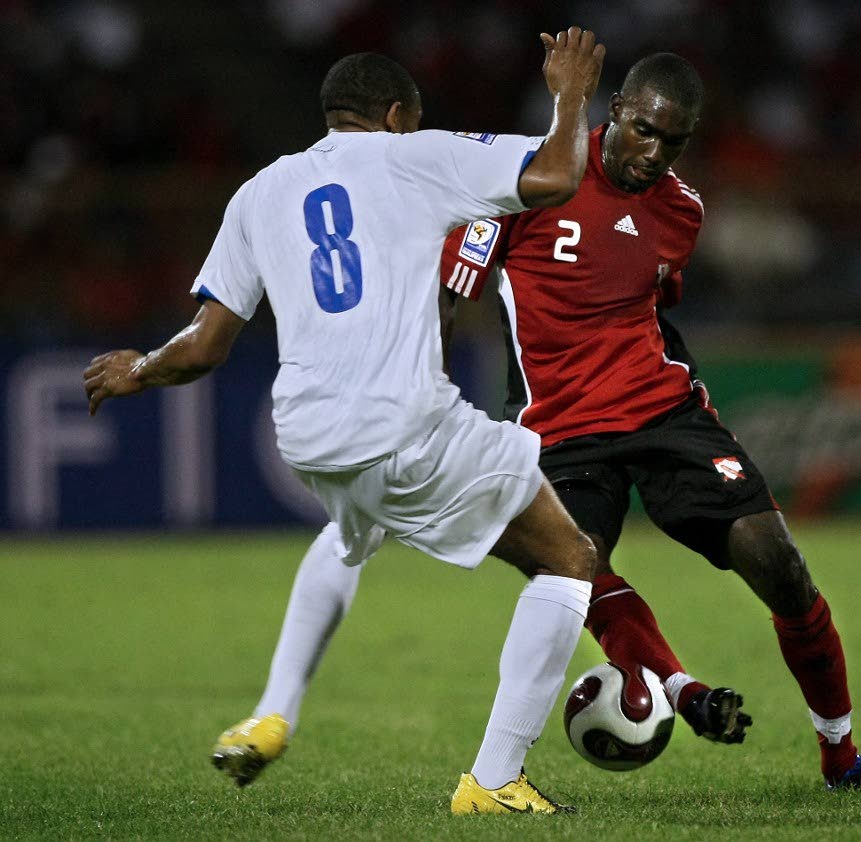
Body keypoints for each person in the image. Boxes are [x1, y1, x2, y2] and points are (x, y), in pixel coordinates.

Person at [215, 52, 861, 792]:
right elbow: (449, 296)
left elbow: (652, 303)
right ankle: (677, 691)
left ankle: (843, 758)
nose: (653, 152)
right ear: (614, 110)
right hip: (563, 431)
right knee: (571, 566)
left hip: (665, 412)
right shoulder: (524, 182)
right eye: (643, 130)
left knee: (780, 565)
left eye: (672, 142)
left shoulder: (683, 211)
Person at [83, 30, 608, 816]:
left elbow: (202, 347)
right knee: (569, 557)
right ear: (397, 115)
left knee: (350, 531)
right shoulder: (417, 155)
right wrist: (568, 93)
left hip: (308, 436)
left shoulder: (262, 190)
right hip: (405, 425)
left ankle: (273, 712)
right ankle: (495, 782)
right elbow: (560, 175)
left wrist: (139, 369)